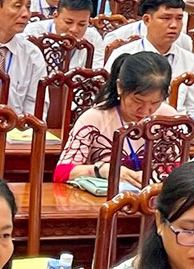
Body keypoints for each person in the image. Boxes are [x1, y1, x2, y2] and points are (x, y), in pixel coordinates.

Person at [55, 51, 179, 187]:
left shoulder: (168, 118)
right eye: (138, 100)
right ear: (120, 87)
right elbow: (62, 173)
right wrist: (101, 169)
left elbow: (181, 168)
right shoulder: (94, 119)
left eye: (155, 103)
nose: (145, 110)